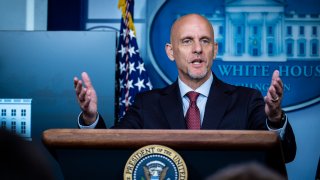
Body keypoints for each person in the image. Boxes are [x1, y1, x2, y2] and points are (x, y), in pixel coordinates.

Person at [73, 13, 296, 162]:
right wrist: (91, 119)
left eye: (205, 41)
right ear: (171, 51)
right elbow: (109, 151)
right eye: (187, 41)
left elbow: (284, 155)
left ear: (214, 50)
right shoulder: (146, 104)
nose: (198, 48)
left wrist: (275, 119)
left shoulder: (247, 100)